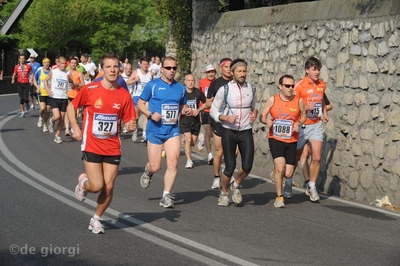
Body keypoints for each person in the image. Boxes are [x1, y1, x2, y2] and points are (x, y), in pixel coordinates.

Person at [69, 52, 137, 234]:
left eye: (116, 66)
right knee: (97, 185)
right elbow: (71, 106)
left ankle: (96, 219)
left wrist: (131, 126)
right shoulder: (90, 89)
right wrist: (75, 127)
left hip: (113, 146)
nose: (113, 70)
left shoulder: (124, 95)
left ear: (119, 69)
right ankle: (84, 184)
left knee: (109, 186)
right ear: (102, 69)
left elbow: (130, 121)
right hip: (91, 144)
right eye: (109, 66)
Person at [138, 56, 193, 208]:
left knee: (173, 162)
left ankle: (166, 195)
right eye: (168, 68)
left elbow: (181, 106)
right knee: (155, 166)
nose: (172, 71)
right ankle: (148, 172)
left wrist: (186, 110)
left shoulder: (181, 88)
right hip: (155, 130)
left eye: (174, 68)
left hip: (172, 130)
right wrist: (150, 114)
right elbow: (140, 103)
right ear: (161, 69)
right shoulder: (153, 85)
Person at [210, 58, 258, 207]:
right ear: (232, 72)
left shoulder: (251, 88)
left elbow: (255, 105)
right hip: (229, 131)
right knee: (230, 166)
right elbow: (213, 110)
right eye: (239, 71)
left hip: (245, 130)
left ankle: (235, 185)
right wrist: (224, 117)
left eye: (244, 71)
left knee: (248, 165)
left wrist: (254, 113)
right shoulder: (225, 89)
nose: (243, 74)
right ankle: (224, 193)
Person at [259, 75, 306, 208]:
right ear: (280, 86)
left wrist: (299, 123)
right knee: (281, 168)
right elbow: (262, 116)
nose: (291, 88)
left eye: (292, 85)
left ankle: (277, 171)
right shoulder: (273, 100)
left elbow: (303, 116)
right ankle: (279, 197)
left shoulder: (299, 101)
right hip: (275, 138)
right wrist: (266, 120)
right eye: (287, 86)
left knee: (288, 173)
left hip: (291, 139)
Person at [294, 57, 329, 202]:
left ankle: (312, 186)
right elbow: (292, 102)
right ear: (307, 70)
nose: (317, 72)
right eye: (314, 69)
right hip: (302, 125)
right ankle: (286, 179)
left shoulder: (322, 84)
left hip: (315, 124)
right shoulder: (300, 85)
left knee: (317, 157)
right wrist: (303, 108)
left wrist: (325, 112)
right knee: (295, 156)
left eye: (319, 69)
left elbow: (320, 99)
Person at [205, 58, 232, 189]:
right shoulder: (216, 84)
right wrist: (218, 102)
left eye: (230, 67)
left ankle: (227, 173)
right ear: (221, 69)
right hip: (220, 121)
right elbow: (208, 102)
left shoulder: (236, 83)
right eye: (226, 67)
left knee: (233, 152)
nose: (228, 69)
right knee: (219, 151)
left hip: (234, 122)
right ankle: (216, 177)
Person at [300, 94, 333, 188]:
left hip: (314, 127)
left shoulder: (320, 93)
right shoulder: (301, 91)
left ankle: (309, 183)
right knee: (301, 155)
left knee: (309, 155)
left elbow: (330, 106)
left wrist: (318, 109)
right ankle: (291, 181)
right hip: (302, 127)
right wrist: (304, 109)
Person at [180, 74, 206, 169]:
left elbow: (206, 103)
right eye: (189, 80)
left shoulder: (198, 93)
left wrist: (198, 110)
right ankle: (189, 160)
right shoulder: (181, 93)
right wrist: (183, 110)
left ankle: (199, 139)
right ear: (185, 82)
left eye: (192, 81)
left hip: (195, 121)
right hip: (185, 120)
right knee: (188, 139)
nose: (190, 82)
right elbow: (178, 105)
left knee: (193, 143)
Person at [127, 56, 154, 142]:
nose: (145, 66)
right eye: (144, 64)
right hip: (137, 96)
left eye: (147, 64)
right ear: (141, 64)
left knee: (147, 114)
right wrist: (134, 80)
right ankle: (135, 131)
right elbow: (127, 83)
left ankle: (144, 134)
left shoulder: (150, 74)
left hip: (147, 98)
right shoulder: (136, 72)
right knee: (136, 117)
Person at [44, 56, 69, 144]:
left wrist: (72, 82)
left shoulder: (68, 73)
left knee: (62, 119)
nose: (64, 65)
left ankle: (57, 136)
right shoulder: (53, 72)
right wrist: (47, 90)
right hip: (54, 97)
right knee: (57, 116)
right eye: (62, 63)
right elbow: (45, 80)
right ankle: (51, 121)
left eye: (65, 63)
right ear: (58, 63)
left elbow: (71, 84)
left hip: (64, 97)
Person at [198, 64, 217, 165]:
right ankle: (209, 154)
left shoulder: (217, 82)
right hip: (205, 111)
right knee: (208, 132)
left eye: (212, 72)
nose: (211, 74)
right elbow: (199, 94)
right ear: (206, 73)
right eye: (209, 72)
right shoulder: (202, 82)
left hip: (215, 111)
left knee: (213, 133)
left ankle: (211, 153)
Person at [64, 57, 85, 136]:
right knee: (66, 112)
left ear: (77, 64)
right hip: (67, 94)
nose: (73, 64)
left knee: (74, 113)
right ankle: (67, 129)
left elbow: (83, 85)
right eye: (72, 63)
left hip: (75, 95)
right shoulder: (66, 72)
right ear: (69, 63)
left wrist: (77, 84)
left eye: (75, 63)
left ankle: (73, 126)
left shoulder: (79, 73)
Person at [33, 58, 52, 132]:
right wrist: (37, 87)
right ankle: (40, 116)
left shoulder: (52, 71)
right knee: (42, 108)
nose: (46, 64)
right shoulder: (39, 70)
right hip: (41, 93)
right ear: (43, 63)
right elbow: (34, 79)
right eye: (45, 62)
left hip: (49, 93)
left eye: (48, 62)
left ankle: (45, 125)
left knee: (47, 111)